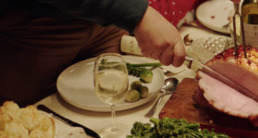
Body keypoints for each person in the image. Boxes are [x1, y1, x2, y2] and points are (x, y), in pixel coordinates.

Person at [0, 0, 188, 107]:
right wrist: (140, 16)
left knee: (120, 111)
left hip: (106, 21)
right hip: (34, 29)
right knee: (37, 125)